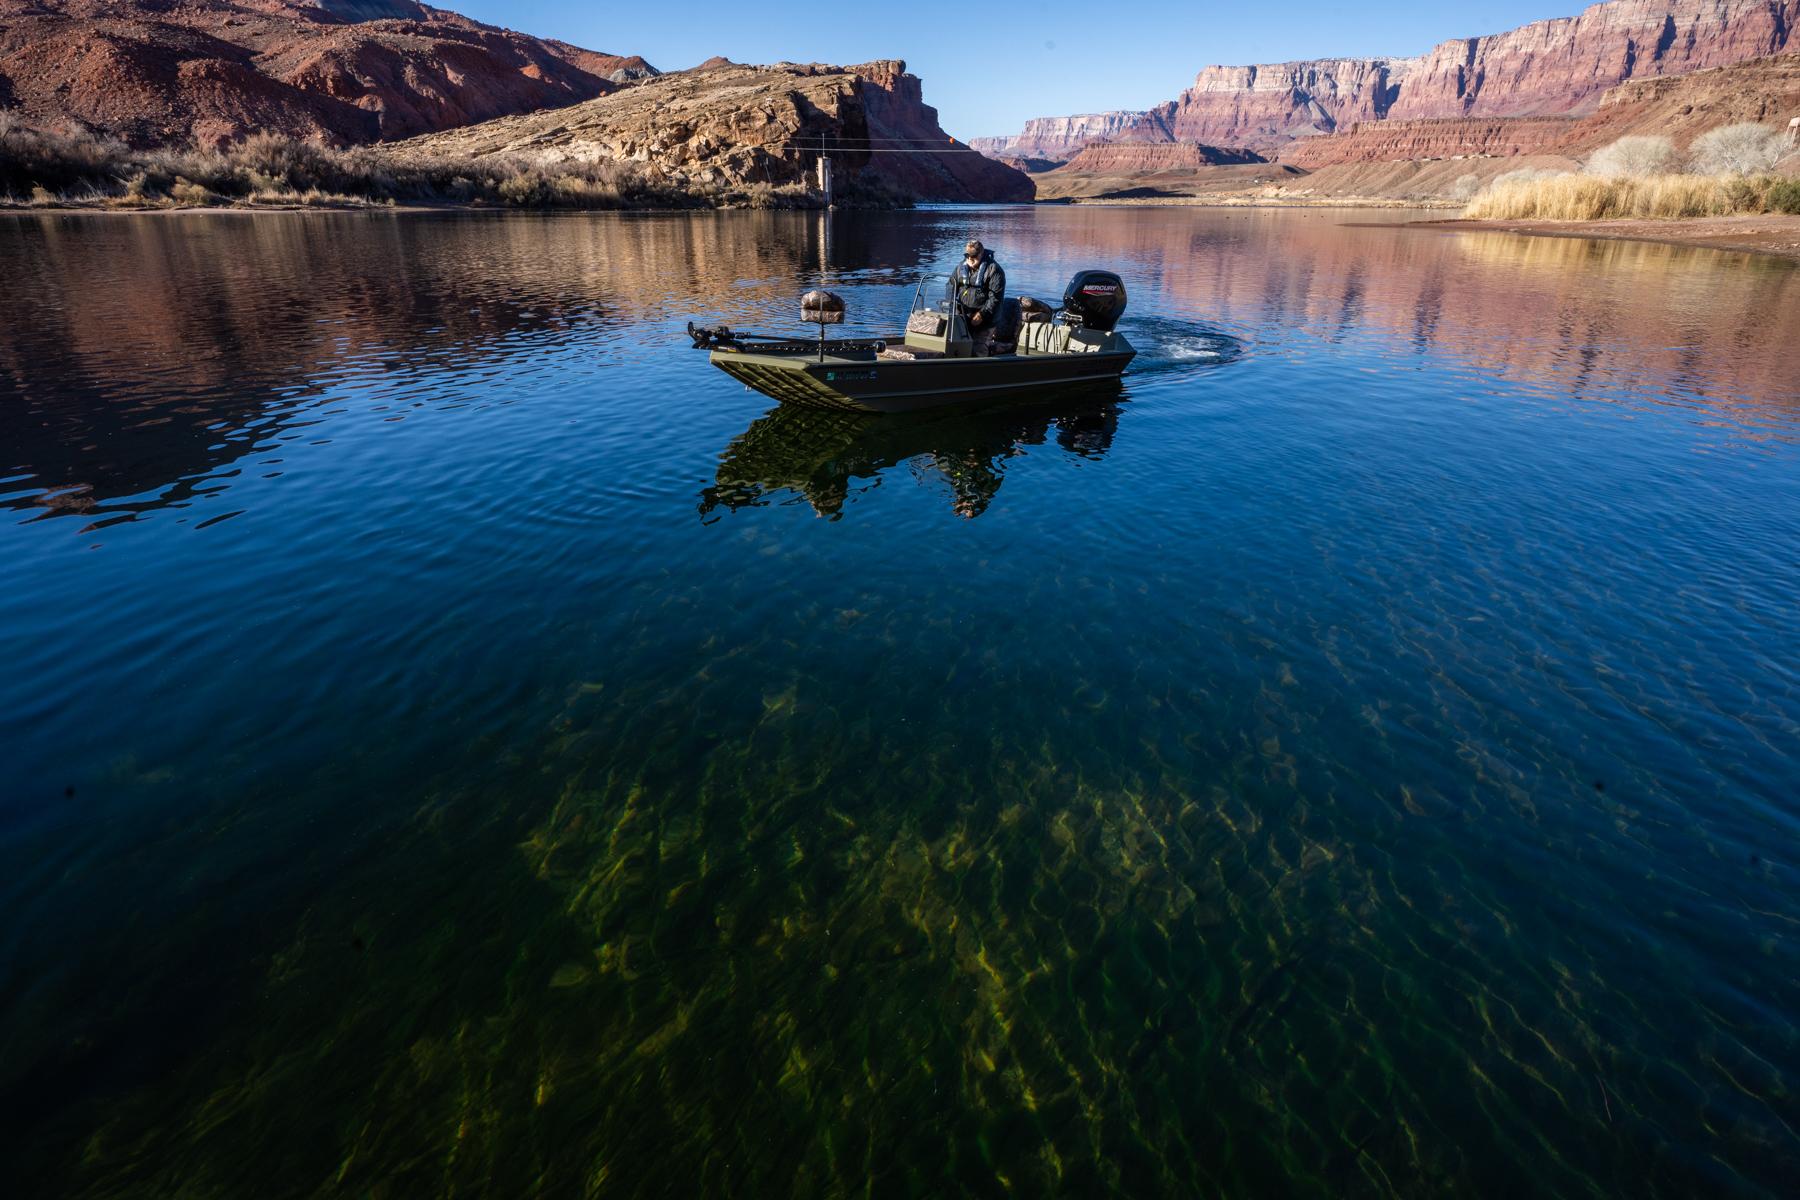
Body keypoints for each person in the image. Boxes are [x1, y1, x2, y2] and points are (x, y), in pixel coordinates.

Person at [948, 239, 1005, 356]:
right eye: (967, 256)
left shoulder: (994, 270)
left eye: (974, 256)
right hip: (964, 315)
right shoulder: (960, 267)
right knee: (953, 344)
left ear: (982, 254)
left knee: (977, 348)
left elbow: (995, 298)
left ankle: (981, 370)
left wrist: (981, 315)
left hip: (986, 319)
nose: (970, 259)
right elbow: (950, 286)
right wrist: (949, 305)